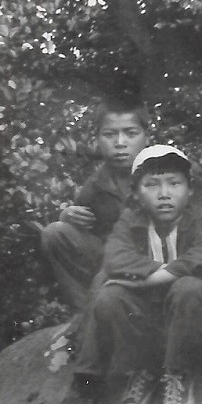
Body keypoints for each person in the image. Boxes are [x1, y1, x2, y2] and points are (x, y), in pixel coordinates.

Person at [43, 144, 202, 404]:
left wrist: (146, 279)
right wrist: (157, 273)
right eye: (151, 185)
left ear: (190, 190)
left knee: (188, 287)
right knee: (108, 296)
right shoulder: (131, 219)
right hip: (155, 325)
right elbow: (115, 258)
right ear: (136, 193)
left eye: (174, 183)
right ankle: (111, 376)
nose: (164, 193)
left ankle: (178, 372)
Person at [40, 96, 149, 314]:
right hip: (111, 263)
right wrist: (68, 216)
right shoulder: (96, 185)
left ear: (146, 136)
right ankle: (86, 316)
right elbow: (84, 234)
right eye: (110, 134)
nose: (120, 142)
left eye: (130, 133)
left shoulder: (167, 171)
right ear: (98, 138)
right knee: (54, 233)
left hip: (157, 259)